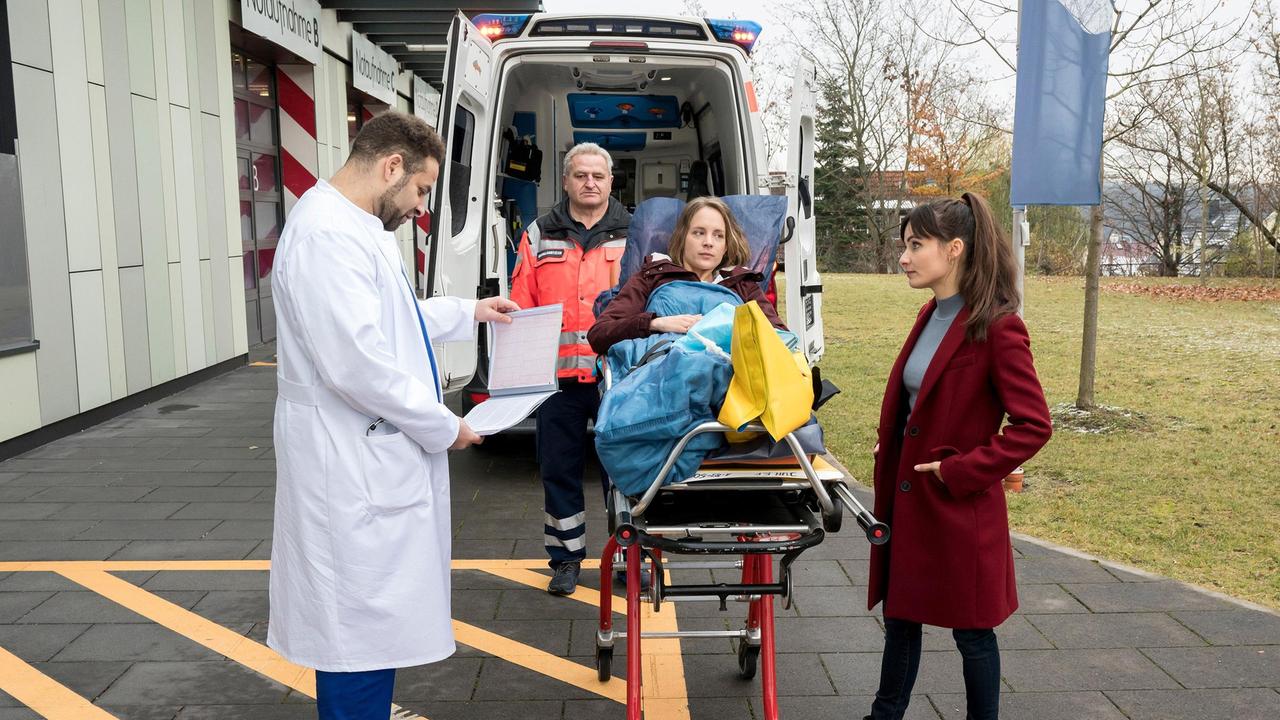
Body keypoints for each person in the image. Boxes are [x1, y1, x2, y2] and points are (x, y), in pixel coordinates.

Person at [267, 111, 520, 720]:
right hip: (349, 464)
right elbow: (357, 366)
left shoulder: (354, 227)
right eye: (422, 189)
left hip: (366, 455)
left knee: (368, 624)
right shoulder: (328, 236)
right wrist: (445, 426)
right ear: (391, 167)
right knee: (354, 628)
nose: (420, 205)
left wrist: (470, 311)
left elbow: (392, 317)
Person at [863, 193, 1052, 720]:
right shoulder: (929, 314)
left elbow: (1034, 425)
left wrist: (960, 469)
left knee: (973, 633)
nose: (904, 256)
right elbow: (919, 402)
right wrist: (896, 442)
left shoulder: (997, 326)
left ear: (954, 249)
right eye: (904, 245)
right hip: (909, 501)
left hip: (957, 508)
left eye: (915, 245)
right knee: (901, 619)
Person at [509, 142, 631, 595]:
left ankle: (626, 554)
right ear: (565, 181)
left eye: (598, 176)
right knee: (558, 469)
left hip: (619, 377)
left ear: (611, 181)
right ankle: (565, 559)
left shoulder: (634, 233)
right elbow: (522, 305)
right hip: (558, 380)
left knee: (624, 468)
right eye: (581, 175)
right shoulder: (539, 233)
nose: (590, 183)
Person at [588, 196, 785, 353]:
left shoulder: (742, 284)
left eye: (718, 235)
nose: (708, 242)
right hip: (662, 382)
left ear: (726, 246)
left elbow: (781, 338)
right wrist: (656, 323)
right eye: (699, 232)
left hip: (730, 391)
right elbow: (599, 334)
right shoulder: (653, 276)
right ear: (682, 238)